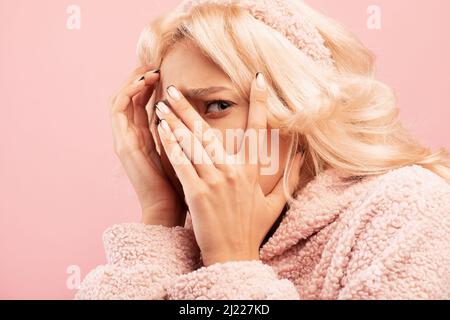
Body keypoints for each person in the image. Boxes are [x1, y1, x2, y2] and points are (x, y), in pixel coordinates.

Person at [75, 0, 450, 299]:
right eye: (167, 114)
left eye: (217, 106)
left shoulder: (409, 209)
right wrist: (158, 217)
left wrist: (231, 260)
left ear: (298, 109)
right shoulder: (186, 233)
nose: (185, 137)